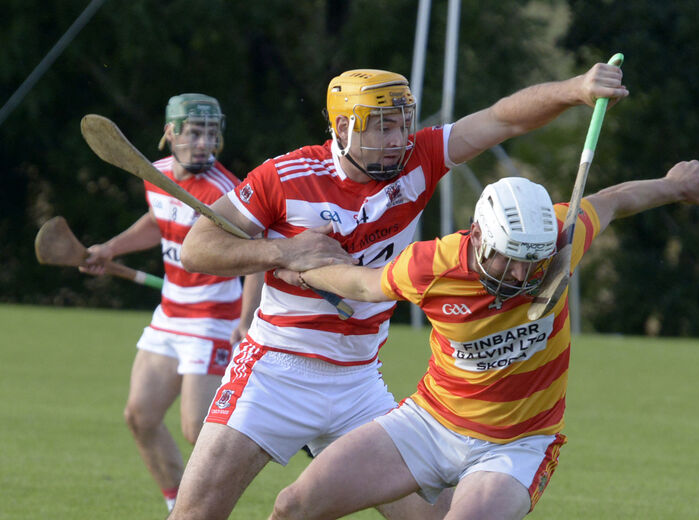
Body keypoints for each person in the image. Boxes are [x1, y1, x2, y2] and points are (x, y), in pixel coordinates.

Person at [170, 63, 629, 519]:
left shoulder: (419, 160)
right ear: (344, 127)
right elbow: (197, 248)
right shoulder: (285, 176)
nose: (399, 140)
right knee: (196, 514)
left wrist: (575, 89)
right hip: (277, 370)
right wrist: (284, 252)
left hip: (360, 379)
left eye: (403, 125)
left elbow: (502, 118)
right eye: (383, 128)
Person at [267, 162, 699, 520]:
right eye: (508, 259)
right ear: (479, 236)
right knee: (293, 507)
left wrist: (674, 185)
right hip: (428, 424)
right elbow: (363, 284)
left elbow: (612, 201)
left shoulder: (559, 239)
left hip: (517, 445)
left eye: (533, 263)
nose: (522, 276)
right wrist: (296, 266)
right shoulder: (433, 266)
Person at [80, 93, 249, 513]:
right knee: (140, 416)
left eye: (211, 133)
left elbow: (258, 252)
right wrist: (112, 248)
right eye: (194, 132)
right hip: (169, 315)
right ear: (170, 133)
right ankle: (178, 507)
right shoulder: (153, 174)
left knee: (198, 431)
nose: (204, 143)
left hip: (213, 320)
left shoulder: (223, 191)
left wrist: (248, 317)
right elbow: (158, 221)